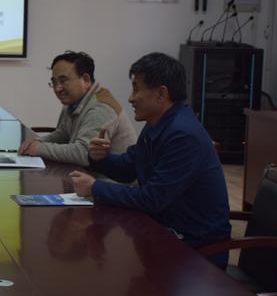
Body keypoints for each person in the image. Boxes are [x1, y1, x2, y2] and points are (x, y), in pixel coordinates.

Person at [69, 52, 231, 267]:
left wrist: (95, 187)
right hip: (166, 234)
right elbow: (128, 167)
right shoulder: (159, 123)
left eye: (136, 88)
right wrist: (99, 158)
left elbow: (152, 199)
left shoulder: (183, 135)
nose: (131, 98)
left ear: (161, 93)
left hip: (196, 252)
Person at [18, 51, 137, 165]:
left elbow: (84, 153)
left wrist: (40, 149)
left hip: (108, 177)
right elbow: (63, 133)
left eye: (63, 81)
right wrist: (39, 141)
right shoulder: (73, 100)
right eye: (54, 82)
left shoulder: (101, 108)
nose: (58, 88)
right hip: (85, 172)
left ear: (86, 80)